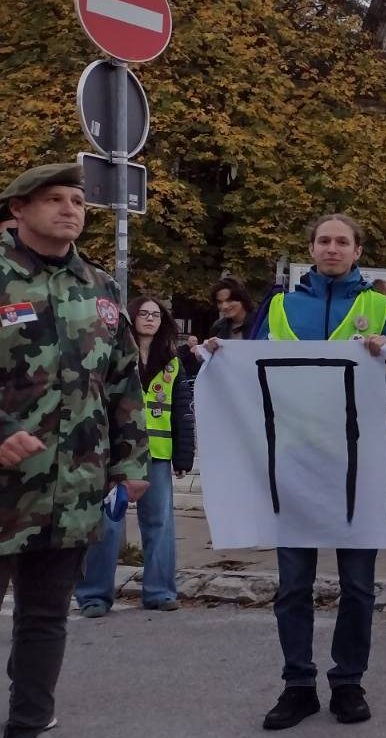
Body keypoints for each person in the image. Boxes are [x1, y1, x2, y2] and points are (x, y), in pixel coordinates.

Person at [207, 213, 386, 731]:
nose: (332, 248)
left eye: (342, 241)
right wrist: (218, 357)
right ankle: (298, 685)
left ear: (357, 251)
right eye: (324, 240)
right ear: (311, 249)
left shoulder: (382, 307)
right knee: (293, 586)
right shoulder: (278, 306)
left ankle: (348, 682)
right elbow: (246, 370)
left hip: (357, 466)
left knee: (357, 587)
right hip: (292, 464)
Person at [1, 163, 149, 738]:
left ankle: (30, 718)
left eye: (78, 201)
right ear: (18, 210)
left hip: (71, 487)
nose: (70, 210)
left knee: (44, 615)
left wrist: (131, 462)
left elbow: (123, 380)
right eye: (54, 199)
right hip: (5, 483)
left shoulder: (99, 285)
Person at [75, 295, 194, 616]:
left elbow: (182, 411)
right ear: (131, 317)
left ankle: (160, 592)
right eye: (144, 313)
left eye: (156, 314)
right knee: (108, 523)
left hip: (157, 455)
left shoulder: (172, 361)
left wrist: (183, 457)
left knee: (159, 524)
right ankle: (94, 596)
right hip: (116, 455)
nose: (150, 318)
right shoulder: (113, 355)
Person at [210, 276, 257, 342]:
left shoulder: (259, 323)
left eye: (229, 300)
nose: (224, 306)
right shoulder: (218, 327)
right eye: (220, 302)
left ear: (242, 299)